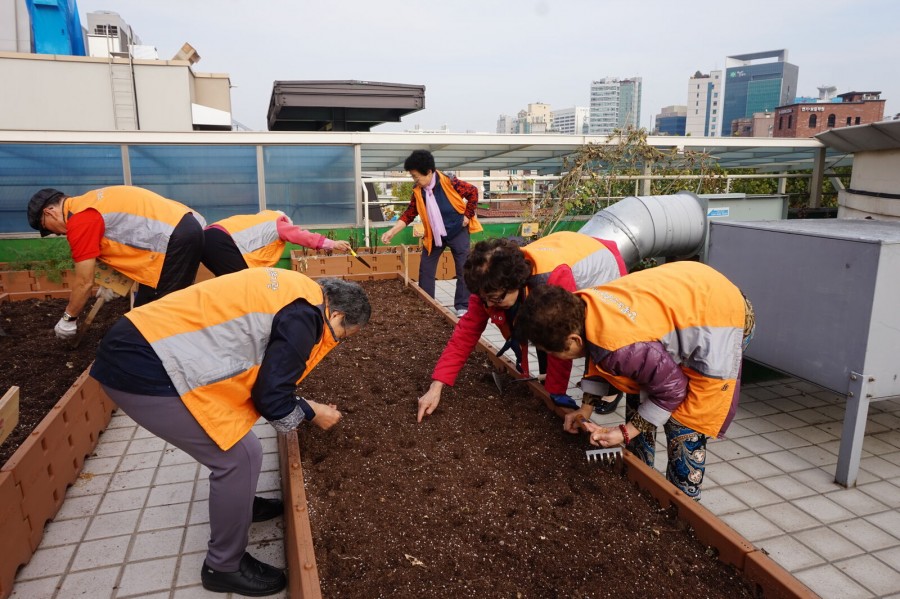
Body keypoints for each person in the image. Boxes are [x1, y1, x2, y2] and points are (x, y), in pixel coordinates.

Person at [89, 269, 371, 596]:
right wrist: (312, 412)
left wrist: (303, 403)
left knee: (239, 444)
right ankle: (223, 566)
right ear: (336, 315)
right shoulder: (305, 318)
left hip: (141, 341)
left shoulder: (301, 291)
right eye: (343, 334)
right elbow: (271, 398)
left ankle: (240, 503)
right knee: (240, 458)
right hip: (142, 366)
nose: (336, 341)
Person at [515, 261, 755, 499]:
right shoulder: (582, 308)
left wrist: (625, 432)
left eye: (553, 352)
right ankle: (640, 480)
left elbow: (673, 390)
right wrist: (585, 410)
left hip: (721, 316)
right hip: (690, 294)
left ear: (574, 340)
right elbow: (603, 359)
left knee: (684, 422)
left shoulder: (623, 346)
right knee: (640, 392)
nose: (553, 357)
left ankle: (683, 503)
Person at [416, 232, 627, 423]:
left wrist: (556, 392)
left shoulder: (551, 278)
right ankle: (551, 380)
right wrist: (437, 385)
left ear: (515, 283)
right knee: (542, 332)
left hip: (602, 269)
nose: (488, 305)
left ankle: (612, 390)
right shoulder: (488, 286)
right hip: (566, 249)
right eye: (485, 299)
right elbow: (465, 334)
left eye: (495, 299)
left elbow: (561, 338)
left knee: (598, 339)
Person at [26, 185, 206, 339]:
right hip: (182, 229)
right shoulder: (88, 203)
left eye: (47, 228)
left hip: (177, 238)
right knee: (147, 309)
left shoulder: (80, 220)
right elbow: (126, 240)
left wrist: (69, 318)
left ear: (49, 212)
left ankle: (167, 354)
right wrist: (113, 281)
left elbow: (84, 282)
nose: (57, 233)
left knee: (156, 314)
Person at [380, 150, 482, 314]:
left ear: (428, 172)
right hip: (434, 234)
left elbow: (473, 192)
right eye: (413, 176)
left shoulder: (450, 182)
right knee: (426, 268)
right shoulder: (418, 191)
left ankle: (463, 306)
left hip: (457, 230)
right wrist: (392, 231)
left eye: (416, 176)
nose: (415, 180)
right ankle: (427, 303)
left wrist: (467, 216)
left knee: (464, 268)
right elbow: (409, 214)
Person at [201, 209, 353, 276]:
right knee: (243, 285)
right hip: (222, 242)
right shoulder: (278, 223)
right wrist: (332, 244)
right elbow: (302, 236)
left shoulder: (260, 221)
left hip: (204, 237)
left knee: (229, 284)